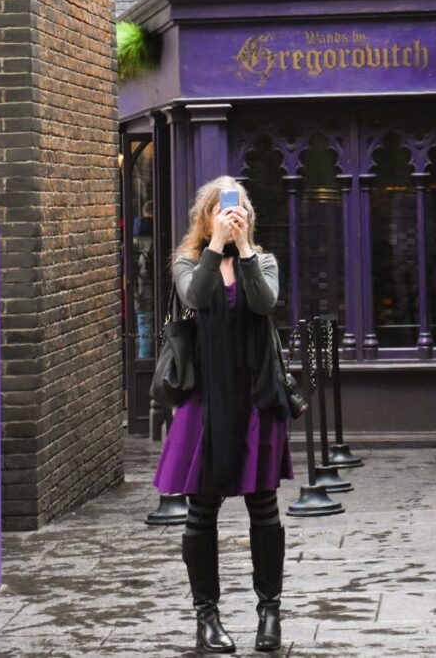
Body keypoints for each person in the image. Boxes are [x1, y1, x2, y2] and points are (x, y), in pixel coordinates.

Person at [152, 175, 295, 653]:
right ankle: (206, 618)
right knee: (202, 510)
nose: (230, 215)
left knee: (264, 507)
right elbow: (195, 296)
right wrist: (215, 245)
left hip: (254, 397)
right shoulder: (188, 262)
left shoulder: (265, 261)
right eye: (220, 209)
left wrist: (246, 251)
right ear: (206, 216)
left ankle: (269, 613)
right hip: (205, 400)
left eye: (236, 209)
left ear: (247, 216)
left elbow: (264, 302)